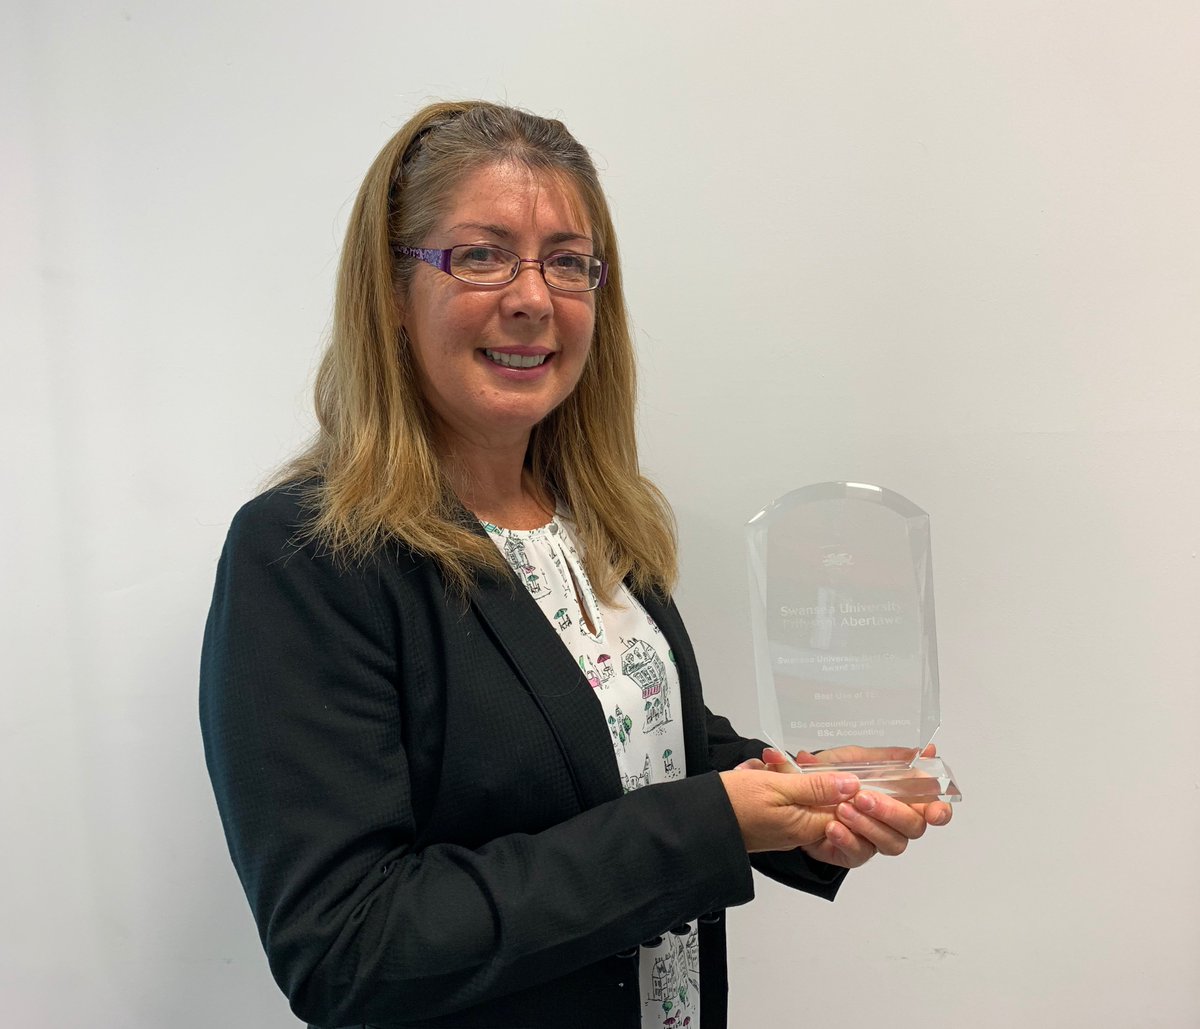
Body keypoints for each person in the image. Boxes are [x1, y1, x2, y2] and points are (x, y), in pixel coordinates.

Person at [199, 100, 951, 1029]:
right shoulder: (307, 555)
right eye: (480, 255)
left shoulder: (597, 524)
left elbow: (640, 744)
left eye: (566, 261)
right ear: (392, 294)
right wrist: (716, 823)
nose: (531, 297)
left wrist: (816, 800)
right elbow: (348, 947)